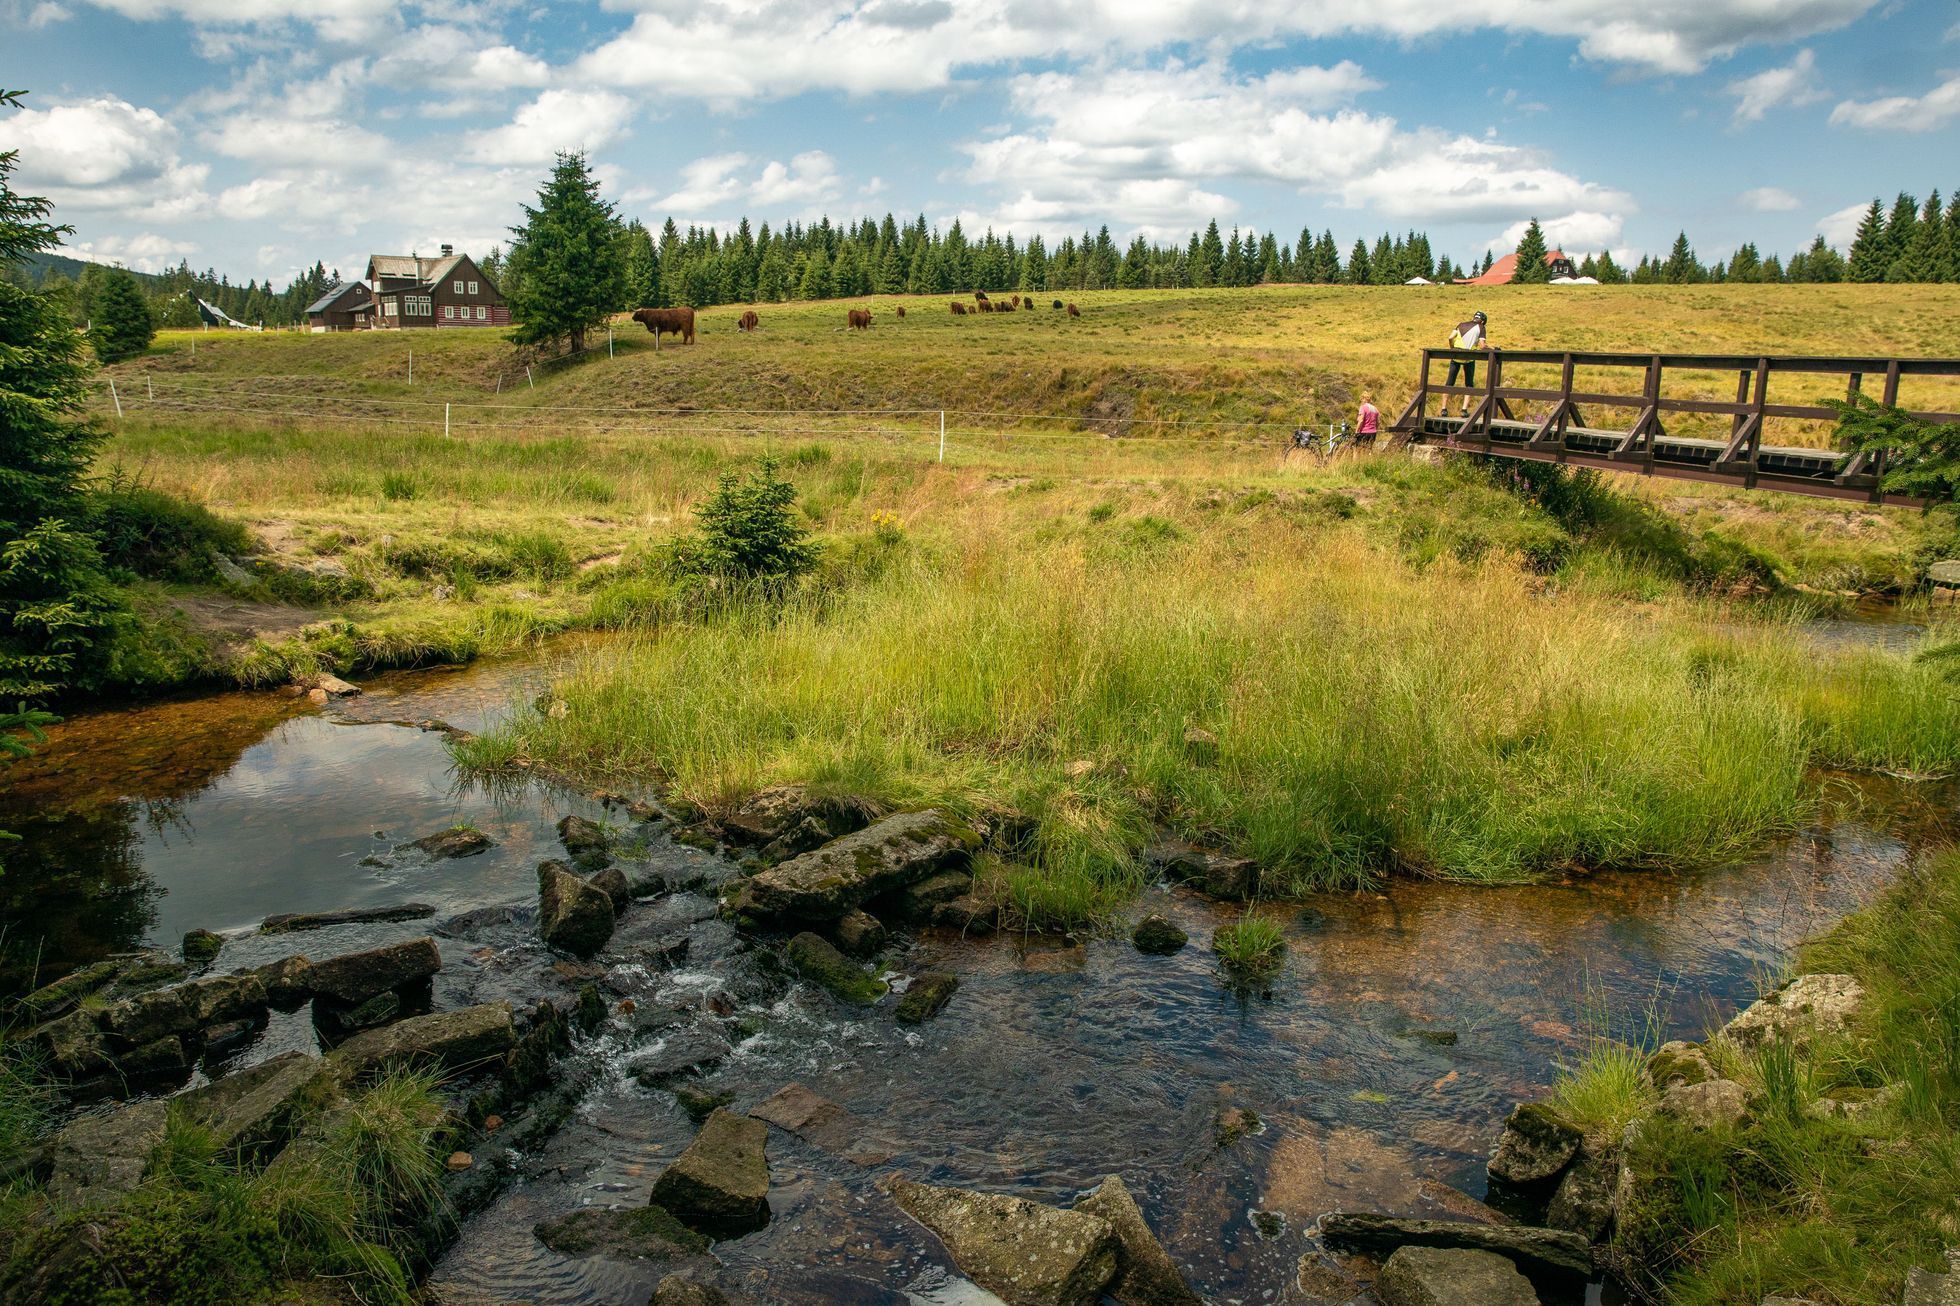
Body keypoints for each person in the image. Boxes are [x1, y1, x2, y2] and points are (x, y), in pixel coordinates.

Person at [1444, 310, 1489, 417]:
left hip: (1456, 356)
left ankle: (1443, 409)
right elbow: (1482, 346)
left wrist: (1452, 348)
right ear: (1482, 321)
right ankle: (1464, 410)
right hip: (1469, 358)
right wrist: (1492, 348)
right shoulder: (1481, 327)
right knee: (1469, 384)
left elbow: (1450, 337)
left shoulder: (1461, 324)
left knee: (1449, 382)